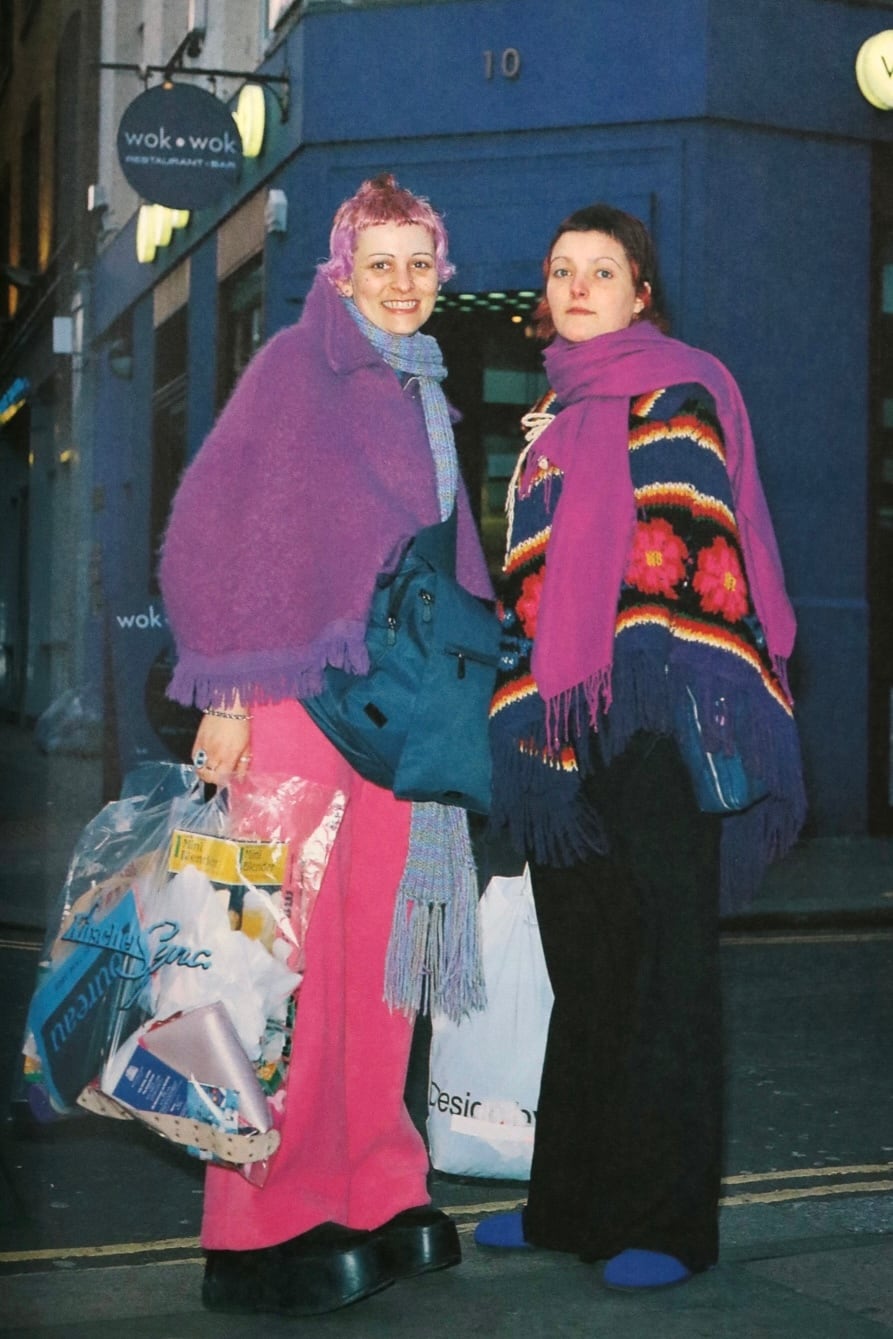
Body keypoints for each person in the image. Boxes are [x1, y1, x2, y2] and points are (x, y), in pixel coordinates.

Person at [158, 173, 492, 1318]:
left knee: (379, 968)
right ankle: (261, 1221)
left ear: (439, 275)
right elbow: (212, 523)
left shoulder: (422, 389)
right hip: (295, 698)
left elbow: (442, 566)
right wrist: (227, 687)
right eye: (378, 263)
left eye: (418, 263)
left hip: (392, 715)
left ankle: (374, 1183)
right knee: (283, 971)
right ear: (339, 274)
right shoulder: (296, 369)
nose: (400, 283)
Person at [474, 205, 806, 1290]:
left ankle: (665, 1223)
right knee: (584, 969)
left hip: (656, 724)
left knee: (665, 969)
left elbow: (692, 559)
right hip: (560, 732)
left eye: (601, 270)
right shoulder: (550, 422)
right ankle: (568, 1204)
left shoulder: (679, 398)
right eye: (560, 269)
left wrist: (638, 688)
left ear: (640, 292)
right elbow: (529, 587)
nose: (576, 286)